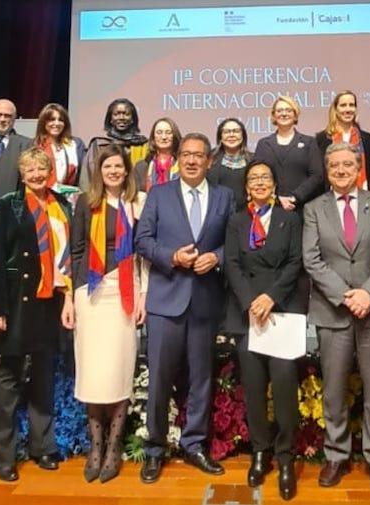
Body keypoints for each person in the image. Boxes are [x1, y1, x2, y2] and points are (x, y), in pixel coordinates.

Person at [135, 133, 234, 483]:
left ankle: (194, 445)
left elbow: (233, 242)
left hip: (206, 303)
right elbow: (142, 239)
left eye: (199, 155)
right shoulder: (159, 195)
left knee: (201, 379)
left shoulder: (225, 196)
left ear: (210, 161)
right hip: (166, 301)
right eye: (186, 155)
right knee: (160, 380)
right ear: (177, 159)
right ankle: (154, 449)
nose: (192, 160)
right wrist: (170, 257)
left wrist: (217, 258)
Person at [303, 143, 370, 493]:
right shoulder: (314, 208)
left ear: (359, 167)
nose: (342, 170)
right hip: (333, 310)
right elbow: (311, 259)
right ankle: (335, 454)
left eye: (348, 164)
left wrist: (368, 294)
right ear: (327, 170)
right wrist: (346, 295)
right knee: (333, 391)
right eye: (335, 165)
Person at [0, 147, 73, 482]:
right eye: (30, 170)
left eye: (41, 169)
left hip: (50, 301)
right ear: (22, 174)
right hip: (16, 302)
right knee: (9, 379)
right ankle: (3, 455)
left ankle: (42, 447)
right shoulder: (8, 204)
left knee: (44, 376)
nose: (36, 175)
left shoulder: (61, 205)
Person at [224, 160, 308, 500]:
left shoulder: (291, 219)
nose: (260, 182)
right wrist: (250, 301)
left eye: (266, 177)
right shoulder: (237, 220)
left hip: (282, 311)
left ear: (274, 184)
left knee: (285, 386)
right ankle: (260, 451)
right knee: (254, 386)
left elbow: (295, 262)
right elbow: (231, 263)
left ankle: (285, 456)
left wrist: (270, 296)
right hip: (249, 316)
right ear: (246, 186)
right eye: (254, 178)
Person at [71, 144, 149, 483]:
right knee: (93, 372)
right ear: (99, 172)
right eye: (108, 167)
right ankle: (96, 446)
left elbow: (144, 255)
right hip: (91, 291)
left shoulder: (138, 203)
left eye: (119, 166)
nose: (114, 172)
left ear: (126, 170)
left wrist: (144, 294)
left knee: (118, 368)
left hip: (125, 291)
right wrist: (70, 297)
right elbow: (76, 252)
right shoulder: (85, 204)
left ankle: (114, 447)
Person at [254, 96, 323, 211]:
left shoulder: (309, 142)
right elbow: (256, 175)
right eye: (279, 110)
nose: (284, 114)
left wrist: (295, 197)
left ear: (295, 115)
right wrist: (275, 198)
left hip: (302, 207)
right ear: (274, 116)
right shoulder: (263, 144)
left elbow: (317, 175)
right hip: (270, 208)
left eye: (288, 110)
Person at [81, 98, 148, 190]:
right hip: (103, 196)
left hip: (134, 196)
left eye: (126, 114)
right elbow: (87, 177)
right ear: (110, 119)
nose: (121, 117)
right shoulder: (99, 144)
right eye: (116, 114)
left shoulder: (143, 145)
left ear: (133, 119)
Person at [315, 90, 370, 186]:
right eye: (343, 105)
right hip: (331, 197)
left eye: (351, 105)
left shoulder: (367, 139)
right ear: (335, 109)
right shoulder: (322, 138)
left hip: (362, 195)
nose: (348, 109)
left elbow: (369, 172)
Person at [34, 103, 86, 189]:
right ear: (43, 122)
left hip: (70, 196)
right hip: (42, 196)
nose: (56, 123)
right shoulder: (35, 145)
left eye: (61, 120)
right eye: (52, 119)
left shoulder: (76, 144)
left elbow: (83, 176)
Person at [207, 117, 254, 210]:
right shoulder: (209, 159)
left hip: (246, 214)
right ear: (220, 137)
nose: (231, 135)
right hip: (217, 213)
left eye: (236, 131)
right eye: (227, 132)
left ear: (243, 136)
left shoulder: (253, 160)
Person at [133, 117, 182, 192]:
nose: (164, 137)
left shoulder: (182, 164)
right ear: (153, 137)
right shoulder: (141, 166)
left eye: (168, 133)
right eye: (159, 132)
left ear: (175, 136)